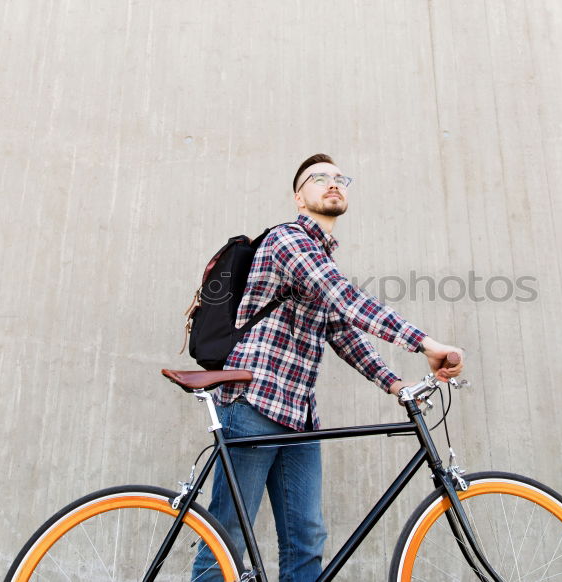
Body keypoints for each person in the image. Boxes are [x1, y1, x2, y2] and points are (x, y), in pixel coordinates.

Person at [192, 153, 464, 581]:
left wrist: (395, 384)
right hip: (253, 403)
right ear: (299, 197)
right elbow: (343, 297)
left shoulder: (320, 256)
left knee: (305, 542)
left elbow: (341, 331)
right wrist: (424, 343)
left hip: (299, 416)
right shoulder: (288, 240)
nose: (333, 183)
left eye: (341, 178)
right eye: (319, 179)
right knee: (225, 543)